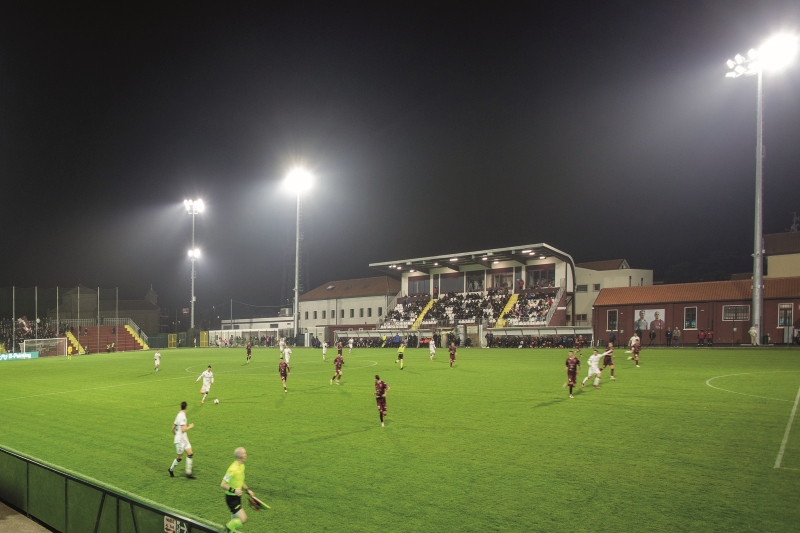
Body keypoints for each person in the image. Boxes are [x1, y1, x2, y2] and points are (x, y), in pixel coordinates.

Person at [220, 447, 254, 532]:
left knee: (234, 520)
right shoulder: (232, 469)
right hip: (231, 498)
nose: (246, 455)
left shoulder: (242, 466)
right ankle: (227, 527)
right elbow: (223, 484)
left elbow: (240, 480)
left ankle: (229, 529)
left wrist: (247, 490)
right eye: (245, 454)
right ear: (241, 456)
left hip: (238, 497)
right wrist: (235, 491)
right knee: (243, 519)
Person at [168, 401, 195, 479]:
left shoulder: (178, 415)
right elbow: (183, 429)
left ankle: (188, 473)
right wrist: (190, 426)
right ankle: (170, 469)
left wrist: (176, 434)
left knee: (190, 453)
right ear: (186, 407)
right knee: (180, 457)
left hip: (183, 438)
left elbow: (172, 428)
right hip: (180, 440)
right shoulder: (182, 416)